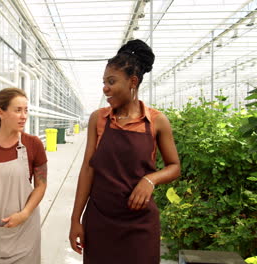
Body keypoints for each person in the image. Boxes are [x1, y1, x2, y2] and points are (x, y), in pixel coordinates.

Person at [69, 39, 180, 263]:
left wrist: (150, 180)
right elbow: (88, 170)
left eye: (111, 81)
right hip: (100, 220)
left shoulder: (157, 122)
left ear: (133, 81)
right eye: (104, 82)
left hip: (139, 225)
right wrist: (75, 219)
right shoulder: (98, 119)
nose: (105, 88)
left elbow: (174, 166)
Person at [0, 88, 47, 264]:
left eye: (26, 110)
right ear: (0, 112)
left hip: (23, 230)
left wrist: (25, 213)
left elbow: (41, 185)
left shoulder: (33, 144)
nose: (24, 116)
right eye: (18, 110)